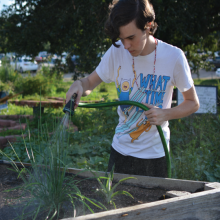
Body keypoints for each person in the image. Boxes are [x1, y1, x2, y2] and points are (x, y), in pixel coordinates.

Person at [66, 0, 200, 178]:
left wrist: (166, 114)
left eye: (131, 38)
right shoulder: (117, 51)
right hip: (120, 153)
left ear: (148, 26)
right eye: (122, 39)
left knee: (155, 207)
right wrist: (79, 85)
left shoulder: (174, 57)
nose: (126, 46)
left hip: (155, 156)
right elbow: (89, 82)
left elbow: (192, 103)